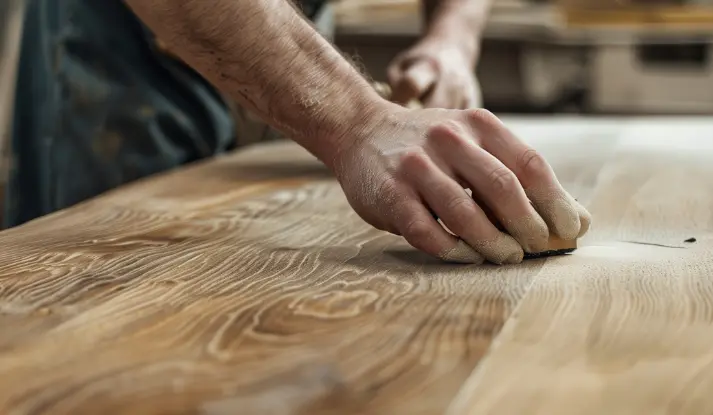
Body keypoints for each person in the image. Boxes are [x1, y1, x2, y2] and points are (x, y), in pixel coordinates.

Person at [9, 0, 591, 265]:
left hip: (293, 27)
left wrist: (452, 41)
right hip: (133, 42)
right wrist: (356, 120)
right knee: (114, 289)